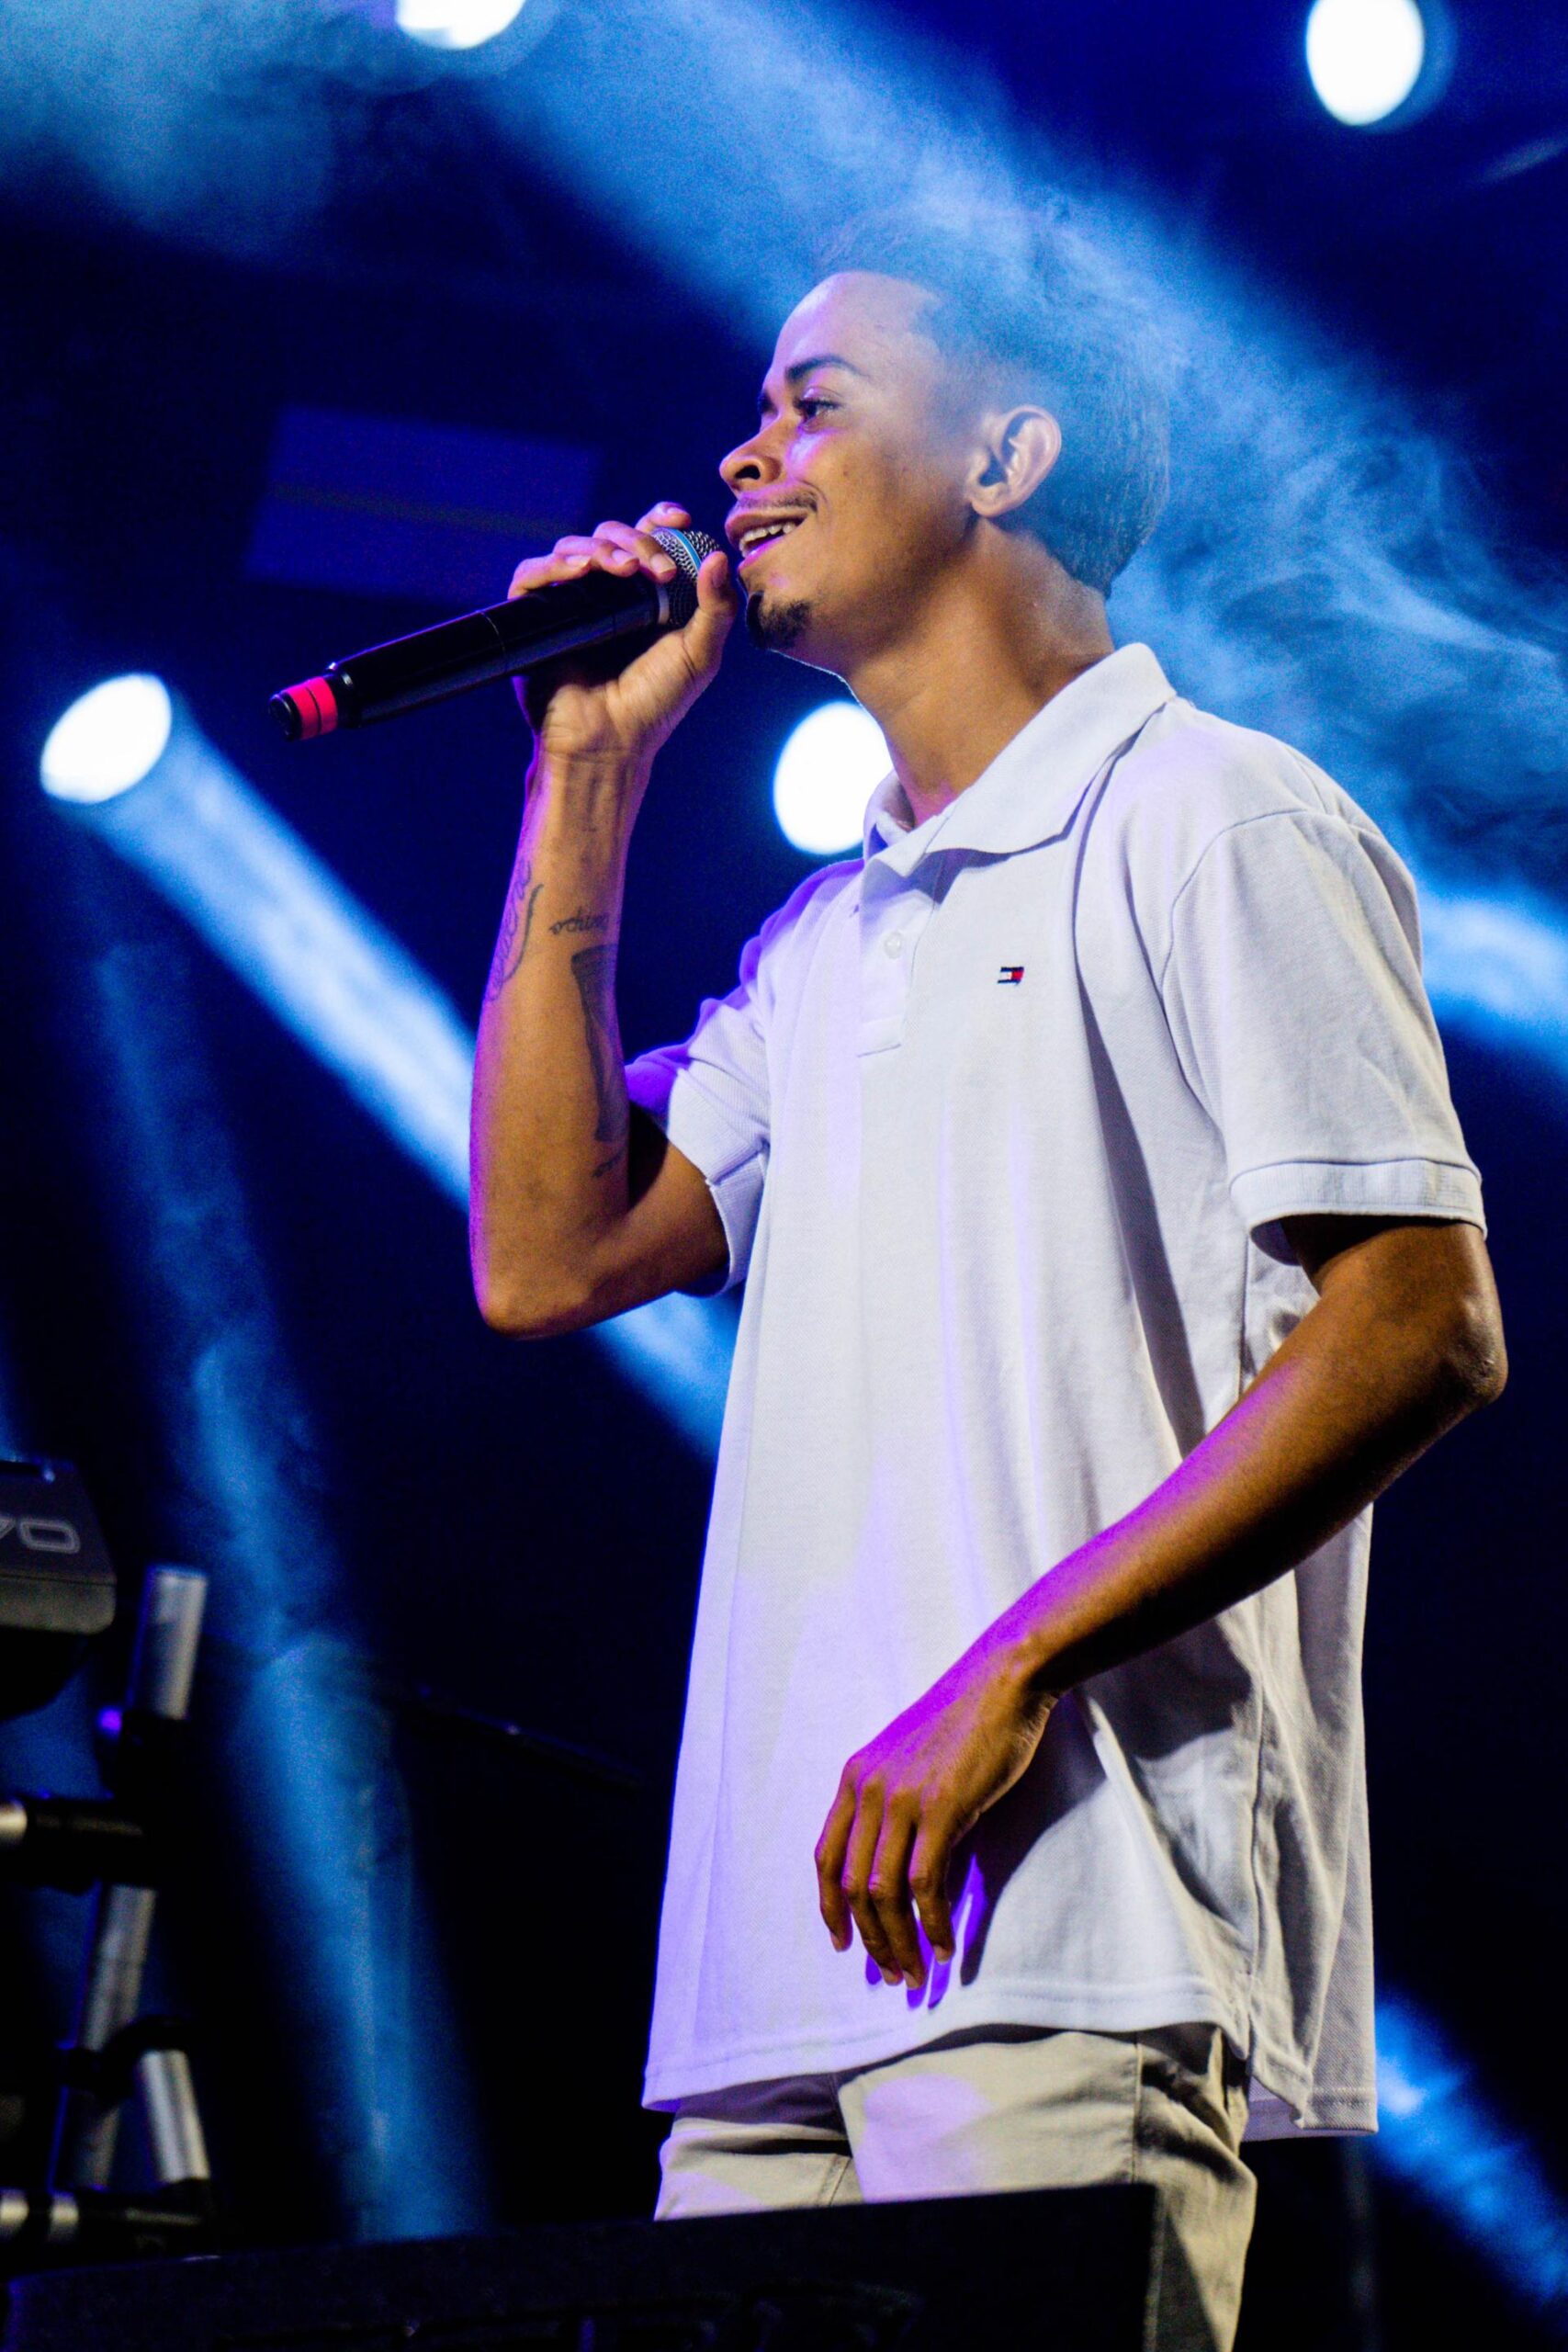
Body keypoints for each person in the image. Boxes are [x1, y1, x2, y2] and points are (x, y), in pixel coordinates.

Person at [468, 205, 1506, 2351]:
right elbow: (544, 1253)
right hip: (764, 1985)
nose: (741, 454)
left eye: (810, 401)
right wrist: (583, 777)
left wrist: (1003, 1666)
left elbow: (1419, 1320)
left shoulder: (1214, 815)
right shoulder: (819, 939)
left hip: (1062, 1926)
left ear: (1005, 454)